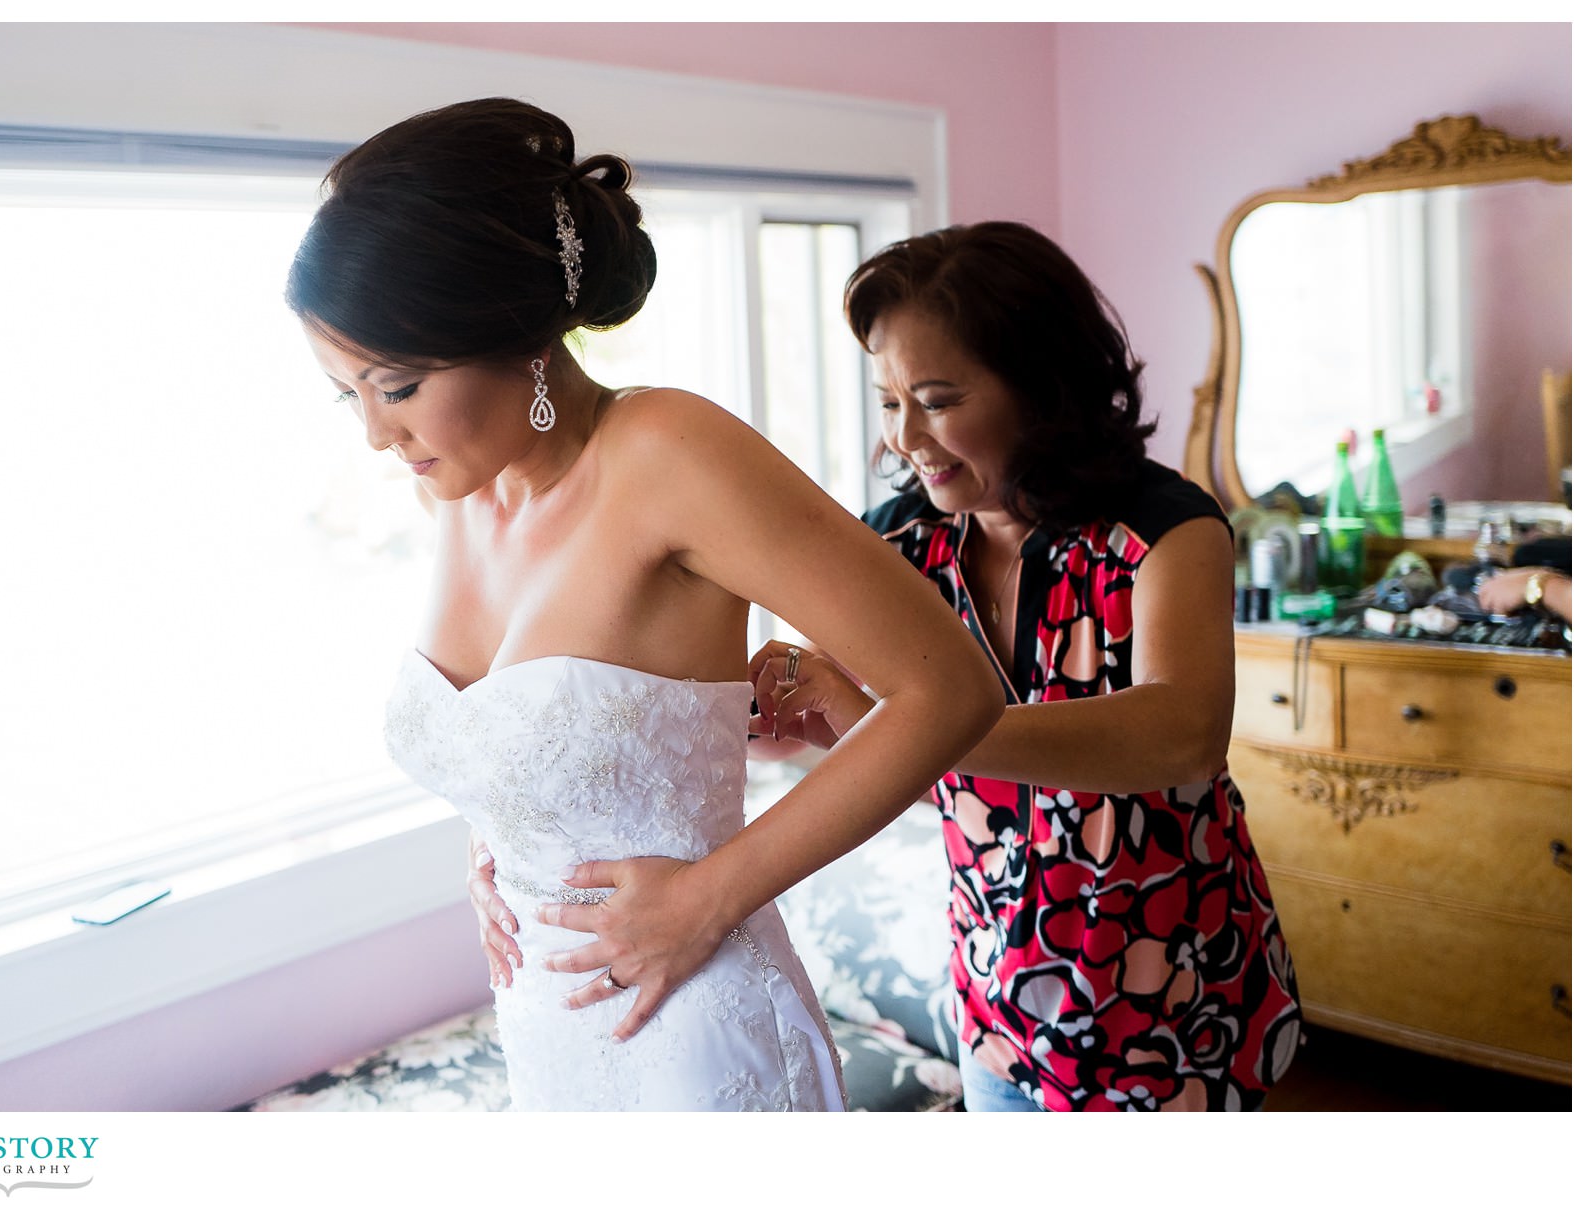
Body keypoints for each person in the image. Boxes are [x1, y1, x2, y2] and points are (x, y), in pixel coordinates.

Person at [475, 221, 1302, 1111]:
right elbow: (910, 779)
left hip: (1180, 1000)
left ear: (1041, 384)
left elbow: (1176, 737)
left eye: (939, 399)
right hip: (1001, 1010)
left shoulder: (1166, 529)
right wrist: (818, 722)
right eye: (887, 401)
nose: (907, 434)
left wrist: (910, 722)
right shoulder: (901, 542)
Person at [285, 99, 1002, 1112]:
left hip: (697, 1034)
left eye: (395, 385)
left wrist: (710, 895)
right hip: (547, 1028)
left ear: (517, 336)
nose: (373, 433)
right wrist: (493, 844)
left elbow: (949, 691)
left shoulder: (668, 451)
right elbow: (513, 733)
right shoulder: (461, 489)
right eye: (344, 390)